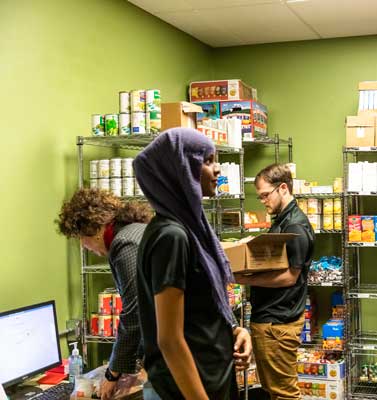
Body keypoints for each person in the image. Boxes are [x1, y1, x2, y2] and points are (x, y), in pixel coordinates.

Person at [133, 128, 252, 400]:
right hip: (189, 390)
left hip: (210, 378)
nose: (217, 169)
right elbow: (170, 340)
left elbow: (196, 310)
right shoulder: (171, 236)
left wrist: (233, 330)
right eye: (207, 161)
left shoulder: (192, 229)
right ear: (181, 170)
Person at [56, 188, 152, 400]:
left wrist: (112, 373)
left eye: (81, 237)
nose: (83, 245)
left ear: (95, 228)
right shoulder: (136, 231)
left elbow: (134, 313)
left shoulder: (124, 243)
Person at [234, 164, 315, 400]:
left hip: (277, 323)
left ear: (282, 188)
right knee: (273, 390)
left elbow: (290, 276)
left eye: (265, 195)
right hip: (272, 320)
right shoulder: (282, 220)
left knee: (284, 394)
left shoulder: (295, 225)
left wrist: (242, 278)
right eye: (259, 197)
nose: (263, 201)